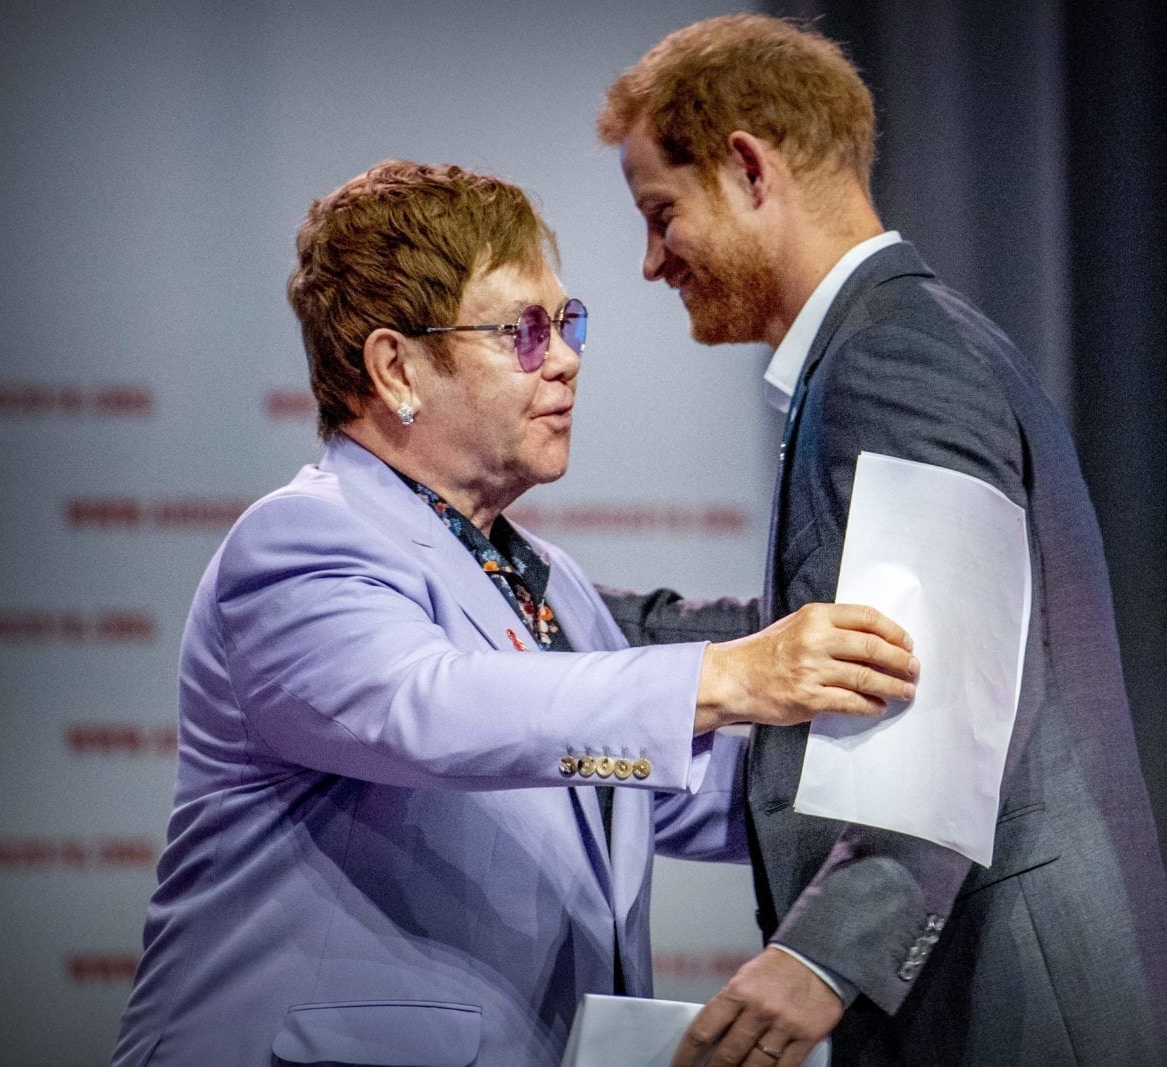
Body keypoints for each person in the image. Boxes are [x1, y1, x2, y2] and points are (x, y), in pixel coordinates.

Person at [110, 160, 918, 1067]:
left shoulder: (547, 582)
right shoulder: (300, 540)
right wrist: (729, 674)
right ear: (396, 367)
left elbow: (669, 783)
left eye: (567, 324)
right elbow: (429, 709)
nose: (566, 358)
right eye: (523, 332)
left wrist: (905, 780)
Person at [598, 16, 1167, 1065]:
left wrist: (823, 953)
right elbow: (836, 638)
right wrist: (558, 608)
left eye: (662, 214)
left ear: (748, 169)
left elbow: (943, 682)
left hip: (1018, 1011)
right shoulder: (895, 342)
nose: (653, 262)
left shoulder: (890, 359)